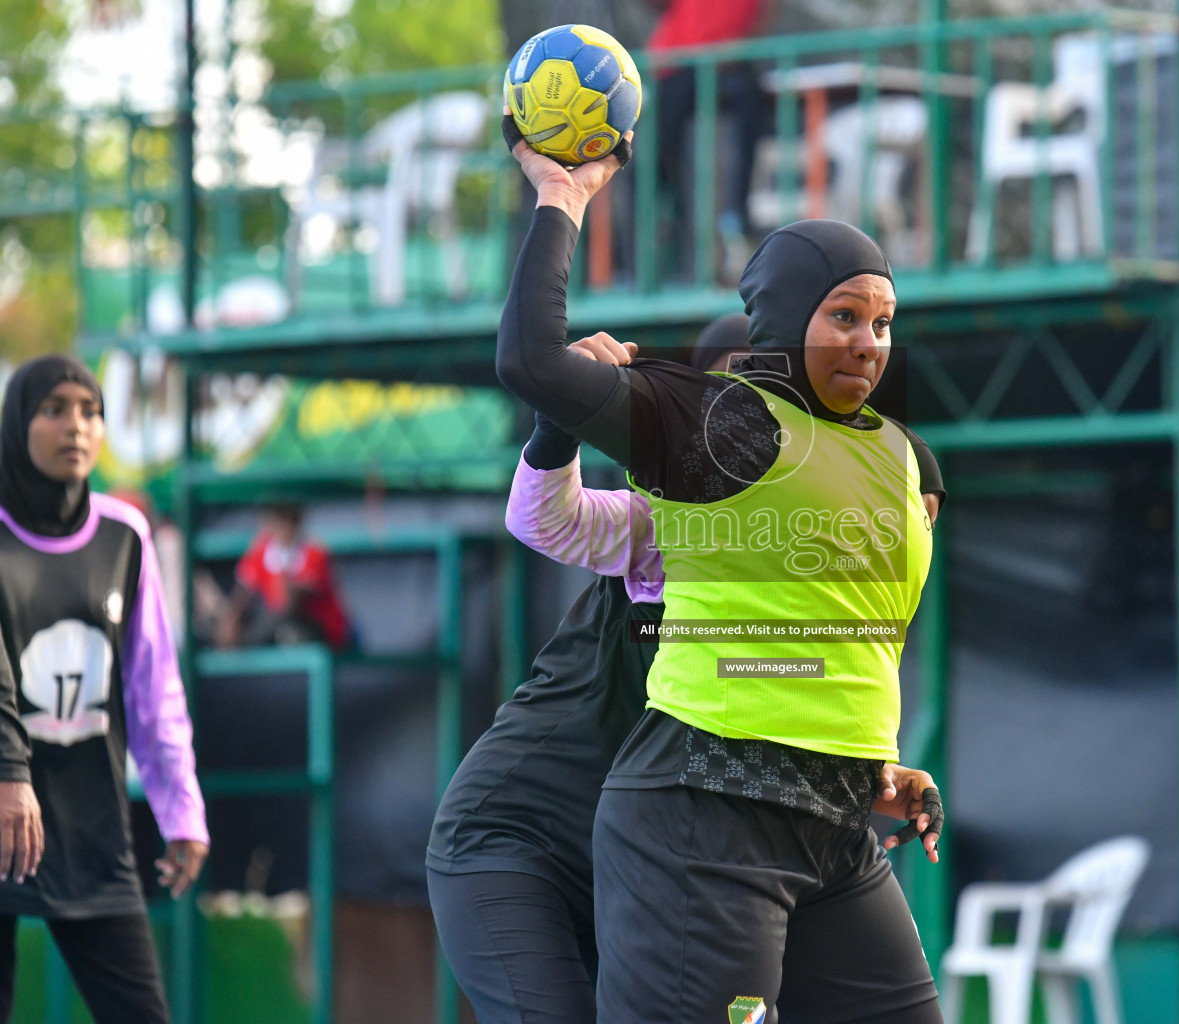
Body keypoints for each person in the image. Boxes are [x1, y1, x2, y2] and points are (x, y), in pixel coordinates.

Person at [500, 119, 943, 1022]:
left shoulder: (897, 457)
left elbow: (849, 629)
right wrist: (564, 198)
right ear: (781, 318)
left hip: (833, 819)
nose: (868, 341)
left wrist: (876, 763)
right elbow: (531, 364)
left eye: (883, 321)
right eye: (844, 316)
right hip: (704, 813)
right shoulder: (724, 425)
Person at [427, 319, 947, 1023]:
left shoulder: (796, 581)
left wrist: (867, 772)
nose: (756, 427)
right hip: (519, 849)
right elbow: (543, 517)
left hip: (641, 865)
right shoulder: (661, 533)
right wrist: (562, 411)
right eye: (734, 401)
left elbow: (781, 689)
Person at [0, 355, 208, 1024]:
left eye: (91, 411)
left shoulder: (125, 534)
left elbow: (154, 687)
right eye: (54, 409)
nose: (77, 427)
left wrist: (181, 810)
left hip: (91, 828)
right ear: (15, 423)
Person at [647, 0, 772, 276]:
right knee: (658, 162)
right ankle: (666, 226)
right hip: (677, 63)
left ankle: (737, 223)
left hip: (724, 64)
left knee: (749, 110)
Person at [216, 503, 353, 651]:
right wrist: (231, 622)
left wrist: (284, 562)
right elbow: (243, 594)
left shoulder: (314, 553)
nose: (279, 527)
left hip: (322, 633)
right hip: (278, 625)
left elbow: (289, 605)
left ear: (297, 522)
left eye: (285, 519)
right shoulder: (262, 551)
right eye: (274, 519)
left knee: (289, 632)